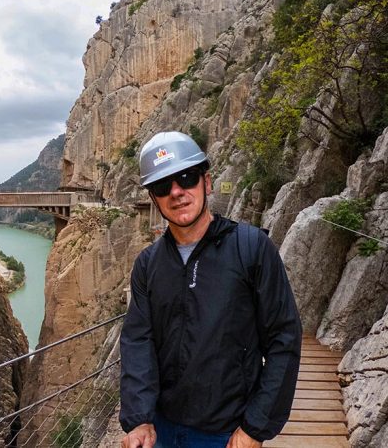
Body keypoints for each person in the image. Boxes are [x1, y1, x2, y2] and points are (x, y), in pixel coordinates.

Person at [119, 131, 302, 448]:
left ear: (207, 182)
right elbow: (138, 341)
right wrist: (140, 419)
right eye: (163, 186)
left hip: (227, 434)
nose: (176, 192)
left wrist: (255, 428)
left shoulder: (251, 248)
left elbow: (284, 339)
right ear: (154, 198)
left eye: (186, 178)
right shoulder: (148, 265)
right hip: (160, 431)